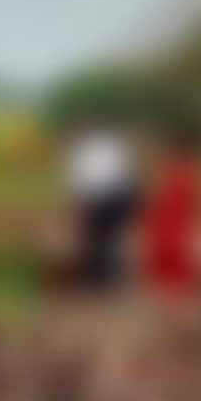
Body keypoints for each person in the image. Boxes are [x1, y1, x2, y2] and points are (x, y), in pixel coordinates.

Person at [64, 121, 140, 291]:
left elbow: (79, 184)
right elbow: (126, 176)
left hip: (100, 200)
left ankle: (98, 276)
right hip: (114, 199)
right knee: (106, 239)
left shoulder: (83, 152)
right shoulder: (109, 147)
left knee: (96, 239)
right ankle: (104, 276)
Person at [141, 121, 201, 295]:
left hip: (174, 224)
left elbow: (192, 201)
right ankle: (172, 295)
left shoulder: (182, 171)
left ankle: (173, 295)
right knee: (172, 261)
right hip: (171, 224)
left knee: (174, 261)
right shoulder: (183, 170)